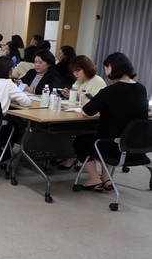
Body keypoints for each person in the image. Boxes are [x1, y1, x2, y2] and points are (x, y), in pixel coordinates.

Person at [72, 52, 148, 190]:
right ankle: (106, 179)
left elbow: (86, 111)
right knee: (114, 134)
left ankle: (94, 179)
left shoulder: (109, 91)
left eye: (106, 68)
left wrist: (85, 101)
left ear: (111, 67)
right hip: (137, 147)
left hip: (114, 148)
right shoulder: (141, 89)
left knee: (80, 141)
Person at [58, 55, 108, 170]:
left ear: (86, 68)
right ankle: (67, 154)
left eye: (78, 70)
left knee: (68, 129)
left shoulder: (97, 81)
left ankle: (72, 156)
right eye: (73, 71)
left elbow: (96, 103)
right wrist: (69, 94)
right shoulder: (79, 81)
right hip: (80, 113)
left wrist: (77, 96)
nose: (75, 74)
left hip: (91, 118)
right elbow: (78, 97)